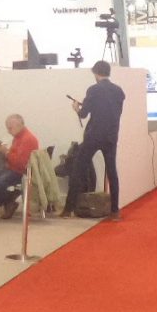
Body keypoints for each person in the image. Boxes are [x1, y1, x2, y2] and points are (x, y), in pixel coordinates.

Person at [62, 61, 125, 220]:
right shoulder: (118, 91)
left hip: (94, 135)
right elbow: (111, 111)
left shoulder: (93, 90)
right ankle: (115, 210)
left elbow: (84, 114)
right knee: (112, 172)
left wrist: (77, 109)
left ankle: (68, 209)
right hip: (111, 136)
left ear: (96, 73)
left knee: (78, 170)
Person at [0, 114, 38, 219]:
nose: (8, 131)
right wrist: (6, 153)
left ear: (19, 125)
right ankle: (7, 201)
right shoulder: (18, 137)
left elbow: (21, 163)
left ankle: (9, 201)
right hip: (12, 169)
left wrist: (5, 152)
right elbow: (14, 156)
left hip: (21, 172)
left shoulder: (27, 139)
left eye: (10, 128)